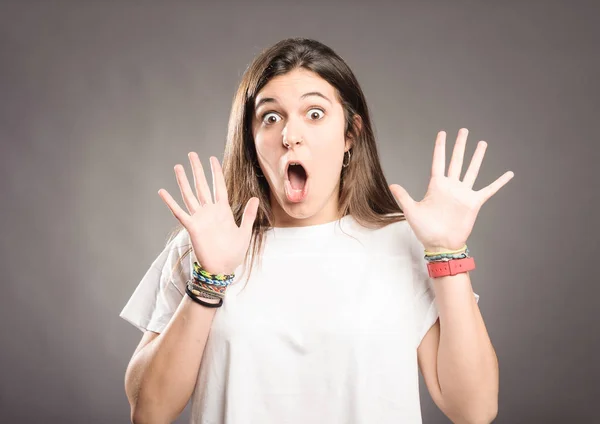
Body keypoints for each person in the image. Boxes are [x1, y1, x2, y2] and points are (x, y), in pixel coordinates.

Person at [120, 37, 498, 424]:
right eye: (271, 117)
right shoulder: (206, 245)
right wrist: (209, 280)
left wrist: (447, 250)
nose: (289, 134)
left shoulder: (404, 244)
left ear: (350, 134)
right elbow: (150, 412)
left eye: (314, 113)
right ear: (252, 142)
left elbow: (475, 410)